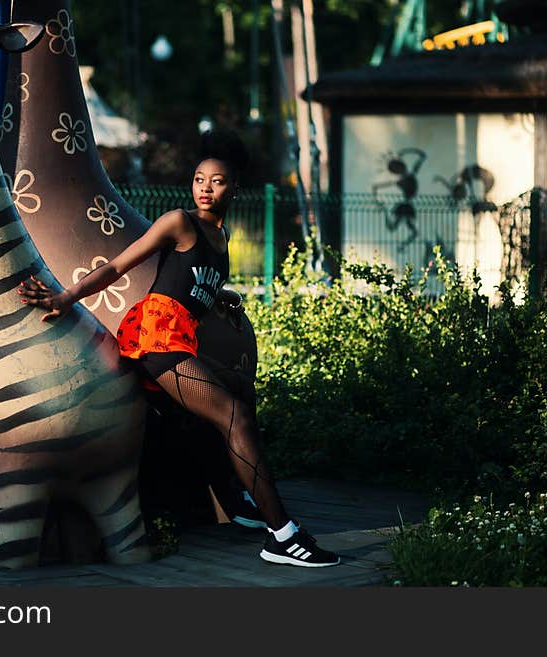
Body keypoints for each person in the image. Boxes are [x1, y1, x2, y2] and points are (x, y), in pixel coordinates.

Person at [18, 131, 339, 568]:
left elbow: (193, 286)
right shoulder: (180, 222)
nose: (205, 188)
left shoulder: (221, 243)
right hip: (155, 338)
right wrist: (63, 298)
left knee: (240, 391)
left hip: (179, 339)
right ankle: (283, 535)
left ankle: (236, 497)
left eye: (217, 181)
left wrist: (219, 295)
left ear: (235, 188)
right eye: (199, 178)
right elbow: (117, 264)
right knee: (235, 415)